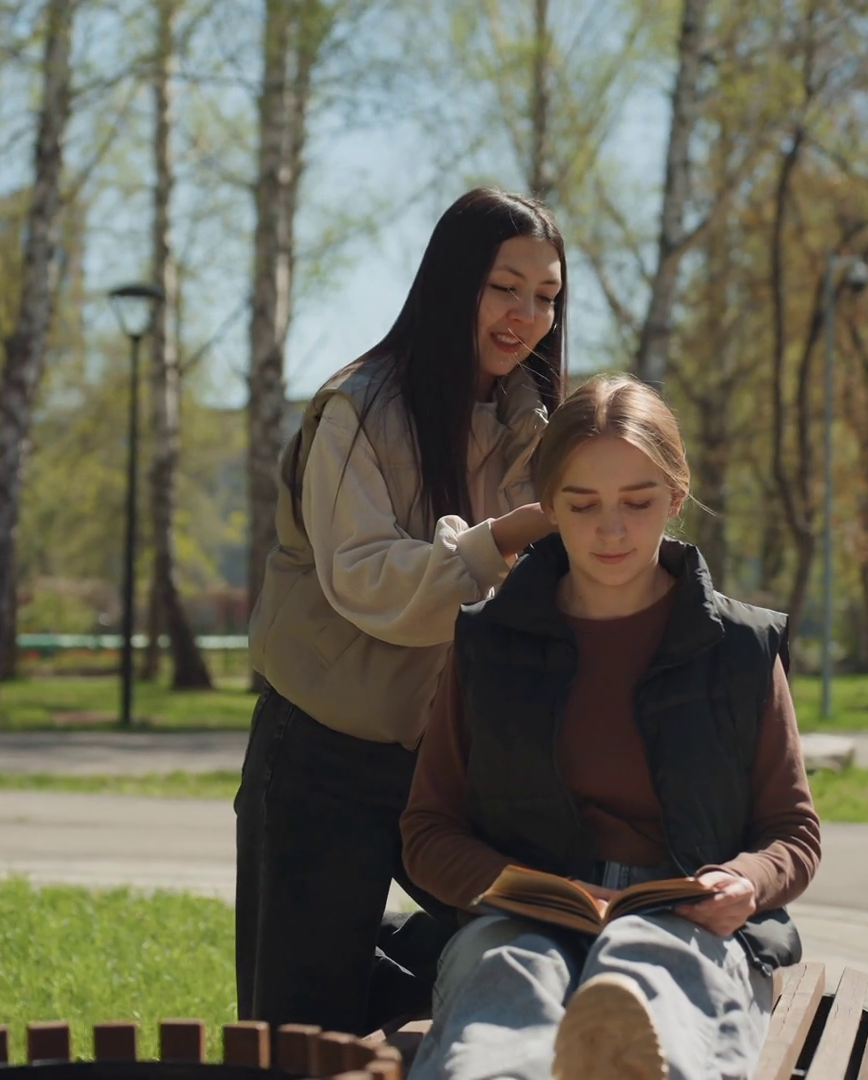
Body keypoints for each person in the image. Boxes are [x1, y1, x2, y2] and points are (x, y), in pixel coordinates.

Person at [401, 375, 820, 1080]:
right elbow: (427, 831)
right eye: (583, 503)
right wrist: (523, 888)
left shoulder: (740, 648)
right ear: (548, 507)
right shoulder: (487, 642)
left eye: (638, 501)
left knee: (647, 963)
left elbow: (793, 831)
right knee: (510, 969)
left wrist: (744, 881)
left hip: (685, 919)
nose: (612, 529)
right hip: (521, 916)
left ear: (676, 499)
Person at [237, 188, 568, 1036]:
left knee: (535, 933)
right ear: (453, 282)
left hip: (450, 760)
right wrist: (504, 539)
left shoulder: (533, 425)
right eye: (505, 288)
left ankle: (371, 963)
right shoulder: (359, 408)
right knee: (301, 1035)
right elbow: (368, 582)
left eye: (546, 296)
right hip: (320, 751)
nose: (527, 316)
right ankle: (346, 971)